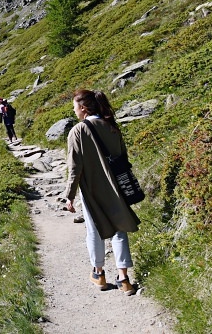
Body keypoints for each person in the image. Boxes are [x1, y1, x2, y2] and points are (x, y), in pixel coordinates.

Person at [64, 89, 140, 296]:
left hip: (92, 190)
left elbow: (74, 168)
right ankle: (124, 279)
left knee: (94, 230)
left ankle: (99, 274)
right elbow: (123, 156)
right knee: (119, 229)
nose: (74, 111)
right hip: (116, 188)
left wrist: (69, 196)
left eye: (75, 107)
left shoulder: (77, 131)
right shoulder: (112, 127)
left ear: (83, 108)